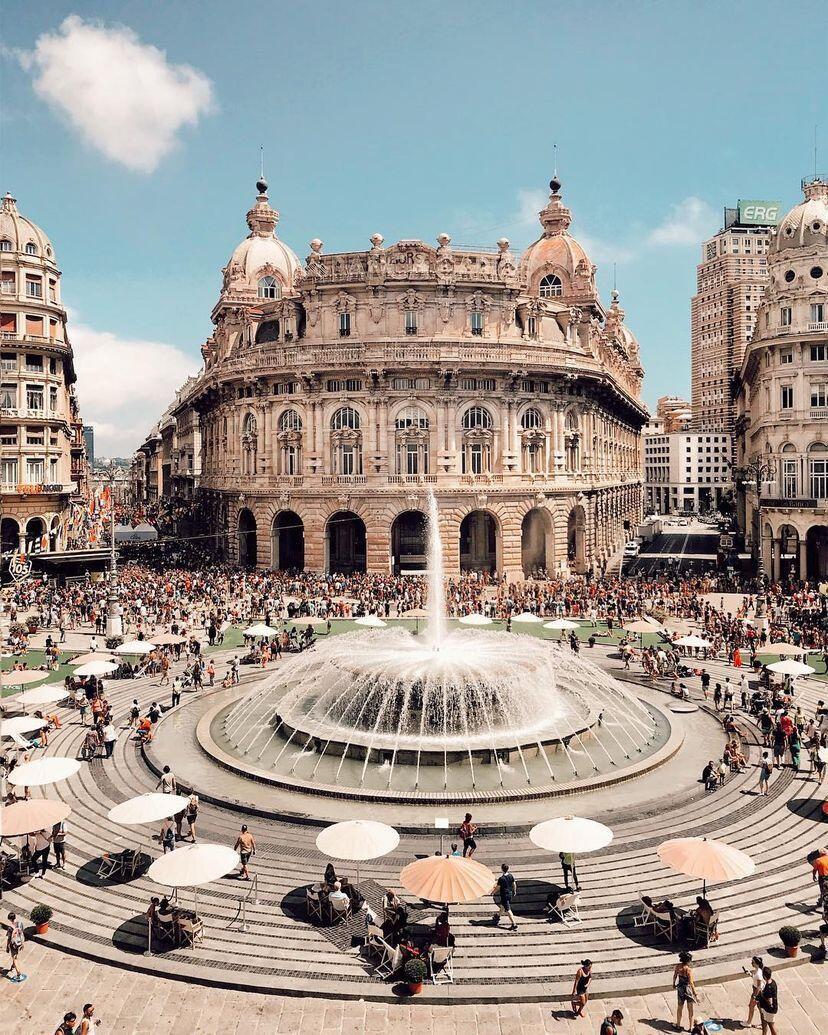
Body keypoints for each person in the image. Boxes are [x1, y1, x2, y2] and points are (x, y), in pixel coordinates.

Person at [673, 950, 698, 1031]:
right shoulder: (688, 970)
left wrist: (673, 984)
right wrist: (695, 993)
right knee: (690, 1009)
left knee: (679, 1007)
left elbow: (675, 976)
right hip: (688, 990)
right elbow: (691, 982)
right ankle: (690, 1027)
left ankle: (678, 1024)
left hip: (680, 989)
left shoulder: (678, 967)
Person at [493, 862, 517, 930]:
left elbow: (498, 887)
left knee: (508, 909)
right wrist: (514, 891)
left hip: (504, 895)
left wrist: (493, 892)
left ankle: (514, 924)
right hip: (510, 894)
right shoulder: (511, 876)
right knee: (503, 906)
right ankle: (497, 916)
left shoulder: (501, 878)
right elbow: (514, 884)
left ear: (502, 869)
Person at [744, 954, 764, 1028]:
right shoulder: (757, 970)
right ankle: (763, 1024)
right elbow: (755, 978)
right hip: (756, 990)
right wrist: (749, 974)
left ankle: (749, 1022)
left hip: (757, 992)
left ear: (756, 963)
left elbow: (758, 986)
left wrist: (754, 997)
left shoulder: (759, 973)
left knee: (751, 1006)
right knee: (760, 1009)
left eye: (752, 962)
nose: (751, 963)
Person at [757, 965, 778, 1034]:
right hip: (769, 1008)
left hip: (769, 1010)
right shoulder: (773, 982)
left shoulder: (768, 987)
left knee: (771, 1025)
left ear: (764, 976)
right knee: (765, 1022)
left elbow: (769, 1001)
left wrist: (762, 994)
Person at [5, 911, 26, 982]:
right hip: (19, 943)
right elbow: (22, 934)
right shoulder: (20, 924)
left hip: (13, 945)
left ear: (10, 919)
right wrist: (22, 943)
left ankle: (18, 973)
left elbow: (9, 938)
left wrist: (7, 947)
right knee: (15, 955)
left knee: (15, 958)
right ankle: (13, 966)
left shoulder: (10, 928)